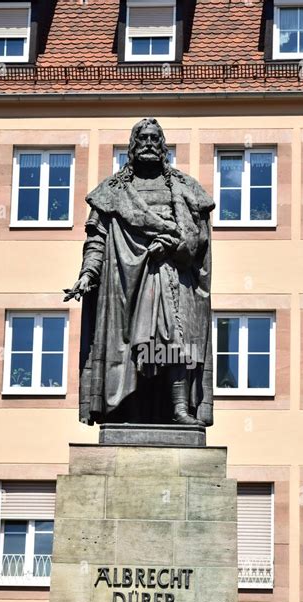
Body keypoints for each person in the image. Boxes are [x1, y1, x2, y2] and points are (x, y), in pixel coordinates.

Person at [64, 117, 215, 427]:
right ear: (132, 147)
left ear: (164, 147)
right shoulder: (113, 191)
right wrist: (88, 274)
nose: (148, 144)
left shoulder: (185, 188)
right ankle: (128, 411)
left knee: (177, 341)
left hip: (174, 277)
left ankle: (179, 409)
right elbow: (97, 239)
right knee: (134, 345)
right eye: (142, 138)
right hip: (125, 284)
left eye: (154, 139)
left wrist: (172, 245)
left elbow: (199, 237)